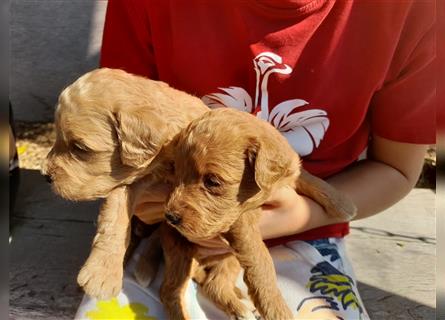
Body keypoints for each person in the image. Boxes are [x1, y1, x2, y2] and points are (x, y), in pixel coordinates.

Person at [75, 1, 435, 319]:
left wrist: (296, 214)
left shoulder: (412, 12)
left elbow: (396, 169)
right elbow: (117, 138)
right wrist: (140, 198)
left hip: (305, 232)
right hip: (164, 226)